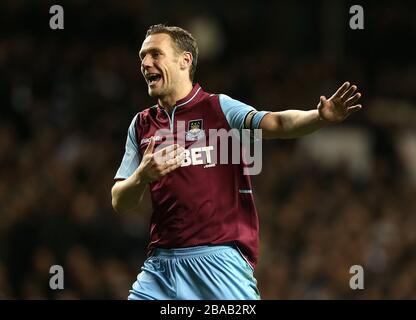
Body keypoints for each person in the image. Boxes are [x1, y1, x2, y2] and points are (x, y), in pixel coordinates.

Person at [111, 24, 362, 300]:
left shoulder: (218, 108)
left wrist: (319, 118)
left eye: (155, 54)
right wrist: (141, 177)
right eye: (142, 56)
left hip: (218, 263)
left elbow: (277, 122)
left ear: (185, 61)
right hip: (160, 267)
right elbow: (119, 201)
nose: (146, 63)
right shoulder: (140, 125)